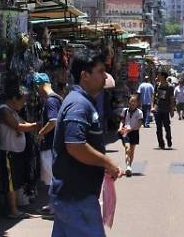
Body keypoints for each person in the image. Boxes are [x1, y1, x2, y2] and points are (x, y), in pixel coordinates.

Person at [51, 52, 122, 237]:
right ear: (85, 75)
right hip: (77, 199)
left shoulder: (82, 102)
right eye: (100, 71)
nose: (105, 76)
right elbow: (75, 146)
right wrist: (106, 162)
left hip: (70, 196)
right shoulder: (79, 105)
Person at [0, 83, 39, 219]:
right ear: (14, 98)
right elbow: (17, 126)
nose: (24, 103)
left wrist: (31, 126)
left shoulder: (12, 111)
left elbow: (22, 124)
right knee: (10, 183)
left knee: (14, 181)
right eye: (23, 100)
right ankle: (13, 210)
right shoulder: (4, 111)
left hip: (14, 152)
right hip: (7, 152)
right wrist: (36, 125)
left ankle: (15, 208)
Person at [35, 73, 63, 217]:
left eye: (36, 87)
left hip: (51, 144)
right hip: (55, 144)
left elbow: (53, 121)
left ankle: (55, 208)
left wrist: (40, 132)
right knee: (53, 177)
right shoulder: (56, 98)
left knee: (52, 177)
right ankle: (53, 205)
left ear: (40, 85)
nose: (37, 91)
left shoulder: (50, 101)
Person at [118, 95, 143, 177]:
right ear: (128, 102)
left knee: (131, 151)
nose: (132, 103)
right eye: (131, 101)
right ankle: (128, 166)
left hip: (134, 132)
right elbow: (122, 121)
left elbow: (139, 125)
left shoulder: (139, 112)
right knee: (127, 148)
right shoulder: (125, 111)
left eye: (134, 101)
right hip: (125, 132)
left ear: (137, 103)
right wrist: (120, 128)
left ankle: (129, 166)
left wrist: (131, 129)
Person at [152, 71, 175, 149]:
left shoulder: (170, 87)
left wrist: (172, 110)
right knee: (158, 127)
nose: (157, 77)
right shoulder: (157, 85)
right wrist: (152, 107)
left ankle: (169, 139)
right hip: (157, 109)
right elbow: (154, 97)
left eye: (159, 75)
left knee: (167, 126)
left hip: (166, 110)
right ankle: (161, 143)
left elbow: (172, 99)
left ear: (163, 76)